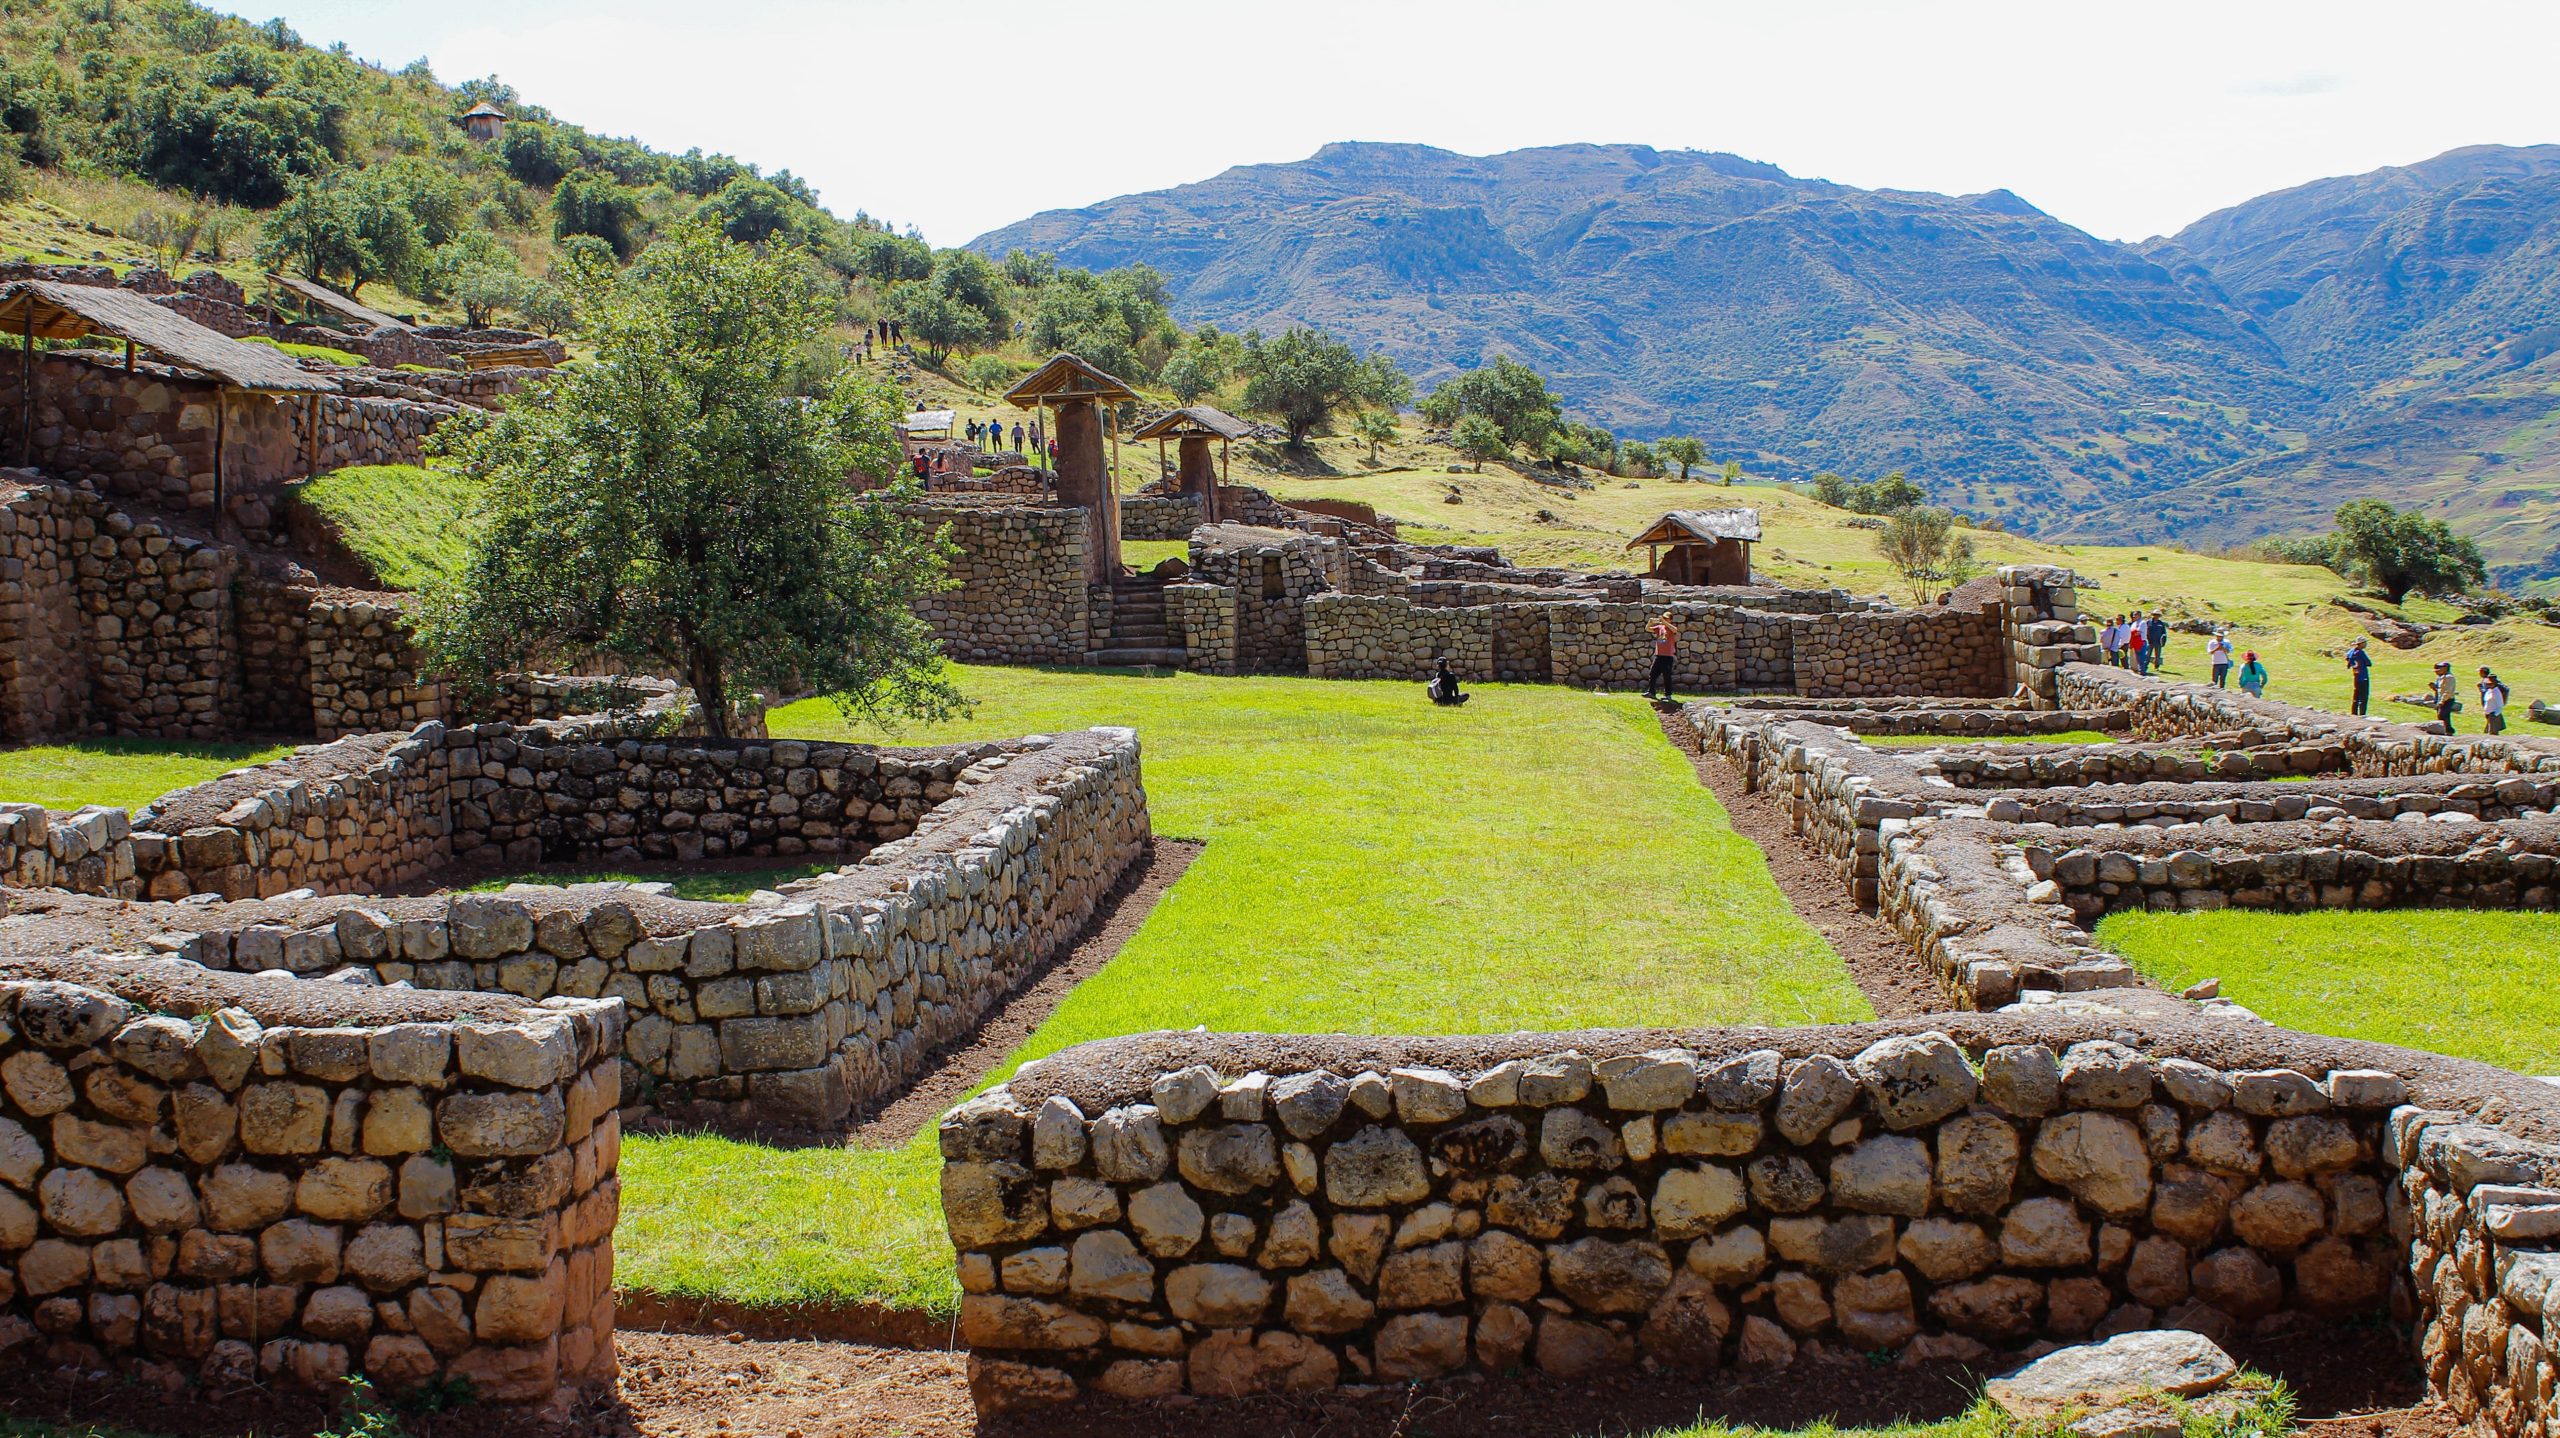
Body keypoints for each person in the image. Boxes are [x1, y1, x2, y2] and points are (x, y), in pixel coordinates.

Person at [1643, 611, 1679, 702]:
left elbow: (1675, 630)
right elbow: (1648, 629)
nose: (1664, 619)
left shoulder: (1671, 628)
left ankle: (1668, 695)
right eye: (1664, 618)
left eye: (1667, 618)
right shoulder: (1659, 627)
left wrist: (1664, 622)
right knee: (1652, 674)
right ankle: (1651, 692)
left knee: (1667, 676)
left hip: (1667, 656)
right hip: (1658, 655)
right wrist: (1649, 622)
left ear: (1670, 620)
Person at [2343, 639, 2372, 716]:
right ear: (2361, 644)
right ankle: (2362, 714)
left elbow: (2347, 657)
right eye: (2364, 643)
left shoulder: (2352, 652)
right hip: (2363, 676)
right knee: (2363, 696)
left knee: (2356, 694)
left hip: (2356, 675)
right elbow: (2368, 663)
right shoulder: (2360, 653)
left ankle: (2354, 713)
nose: (2366, 644)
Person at [2478, 666, 2509, 735]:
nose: (2486, 685)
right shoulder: (2489, 691)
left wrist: (2494, 714)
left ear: (2493, 684)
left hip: (2493, 715)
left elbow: (2500, 705)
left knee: (2493, 734)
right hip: (2489, 714)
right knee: (2488, 732)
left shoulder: (2496, 692)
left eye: (2488, 684)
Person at [2431, 661, 2460, 731]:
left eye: (2441, 668)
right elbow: (2441, 689)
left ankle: (2448, 730)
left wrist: (2442, 701)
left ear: (2446, 668)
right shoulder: (2442, 677)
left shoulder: (2449, 677)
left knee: (2443, 716)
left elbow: (2448, 691)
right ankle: (2445, 730)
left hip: (2447, 700)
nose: (2439, 669)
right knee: (2441, 716)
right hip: (2441, 699)